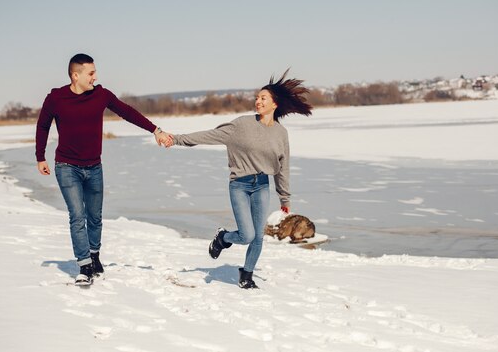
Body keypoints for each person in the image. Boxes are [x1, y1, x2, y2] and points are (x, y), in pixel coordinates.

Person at [165, 70, 312, 289]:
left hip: (262, 185)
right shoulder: (241, 125)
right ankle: (223, 238)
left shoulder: (281, 134)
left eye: (263, 98)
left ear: (275, 104)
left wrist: (284, 197)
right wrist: (175, 139)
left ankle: (247, 275)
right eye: (257, 97)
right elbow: (207, 135)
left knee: (258, 238)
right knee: (246, 235)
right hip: (240, 186)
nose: (258, 101)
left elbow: (283, 167)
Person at [35, 53, 171, 285]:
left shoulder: (101, 95)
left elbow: (127, 112)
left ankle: (95, 255)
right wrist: (40, 156)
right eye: (91, 73)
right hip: (67, 167)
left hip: (94, 167)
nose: (95, 77)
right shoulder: (56, 98)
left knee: (95, 217)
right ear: (75, 75)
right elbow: (43, 125)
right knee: (77, 216)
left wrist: (155, 130)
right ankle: (84, 265)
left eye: (95, 72)